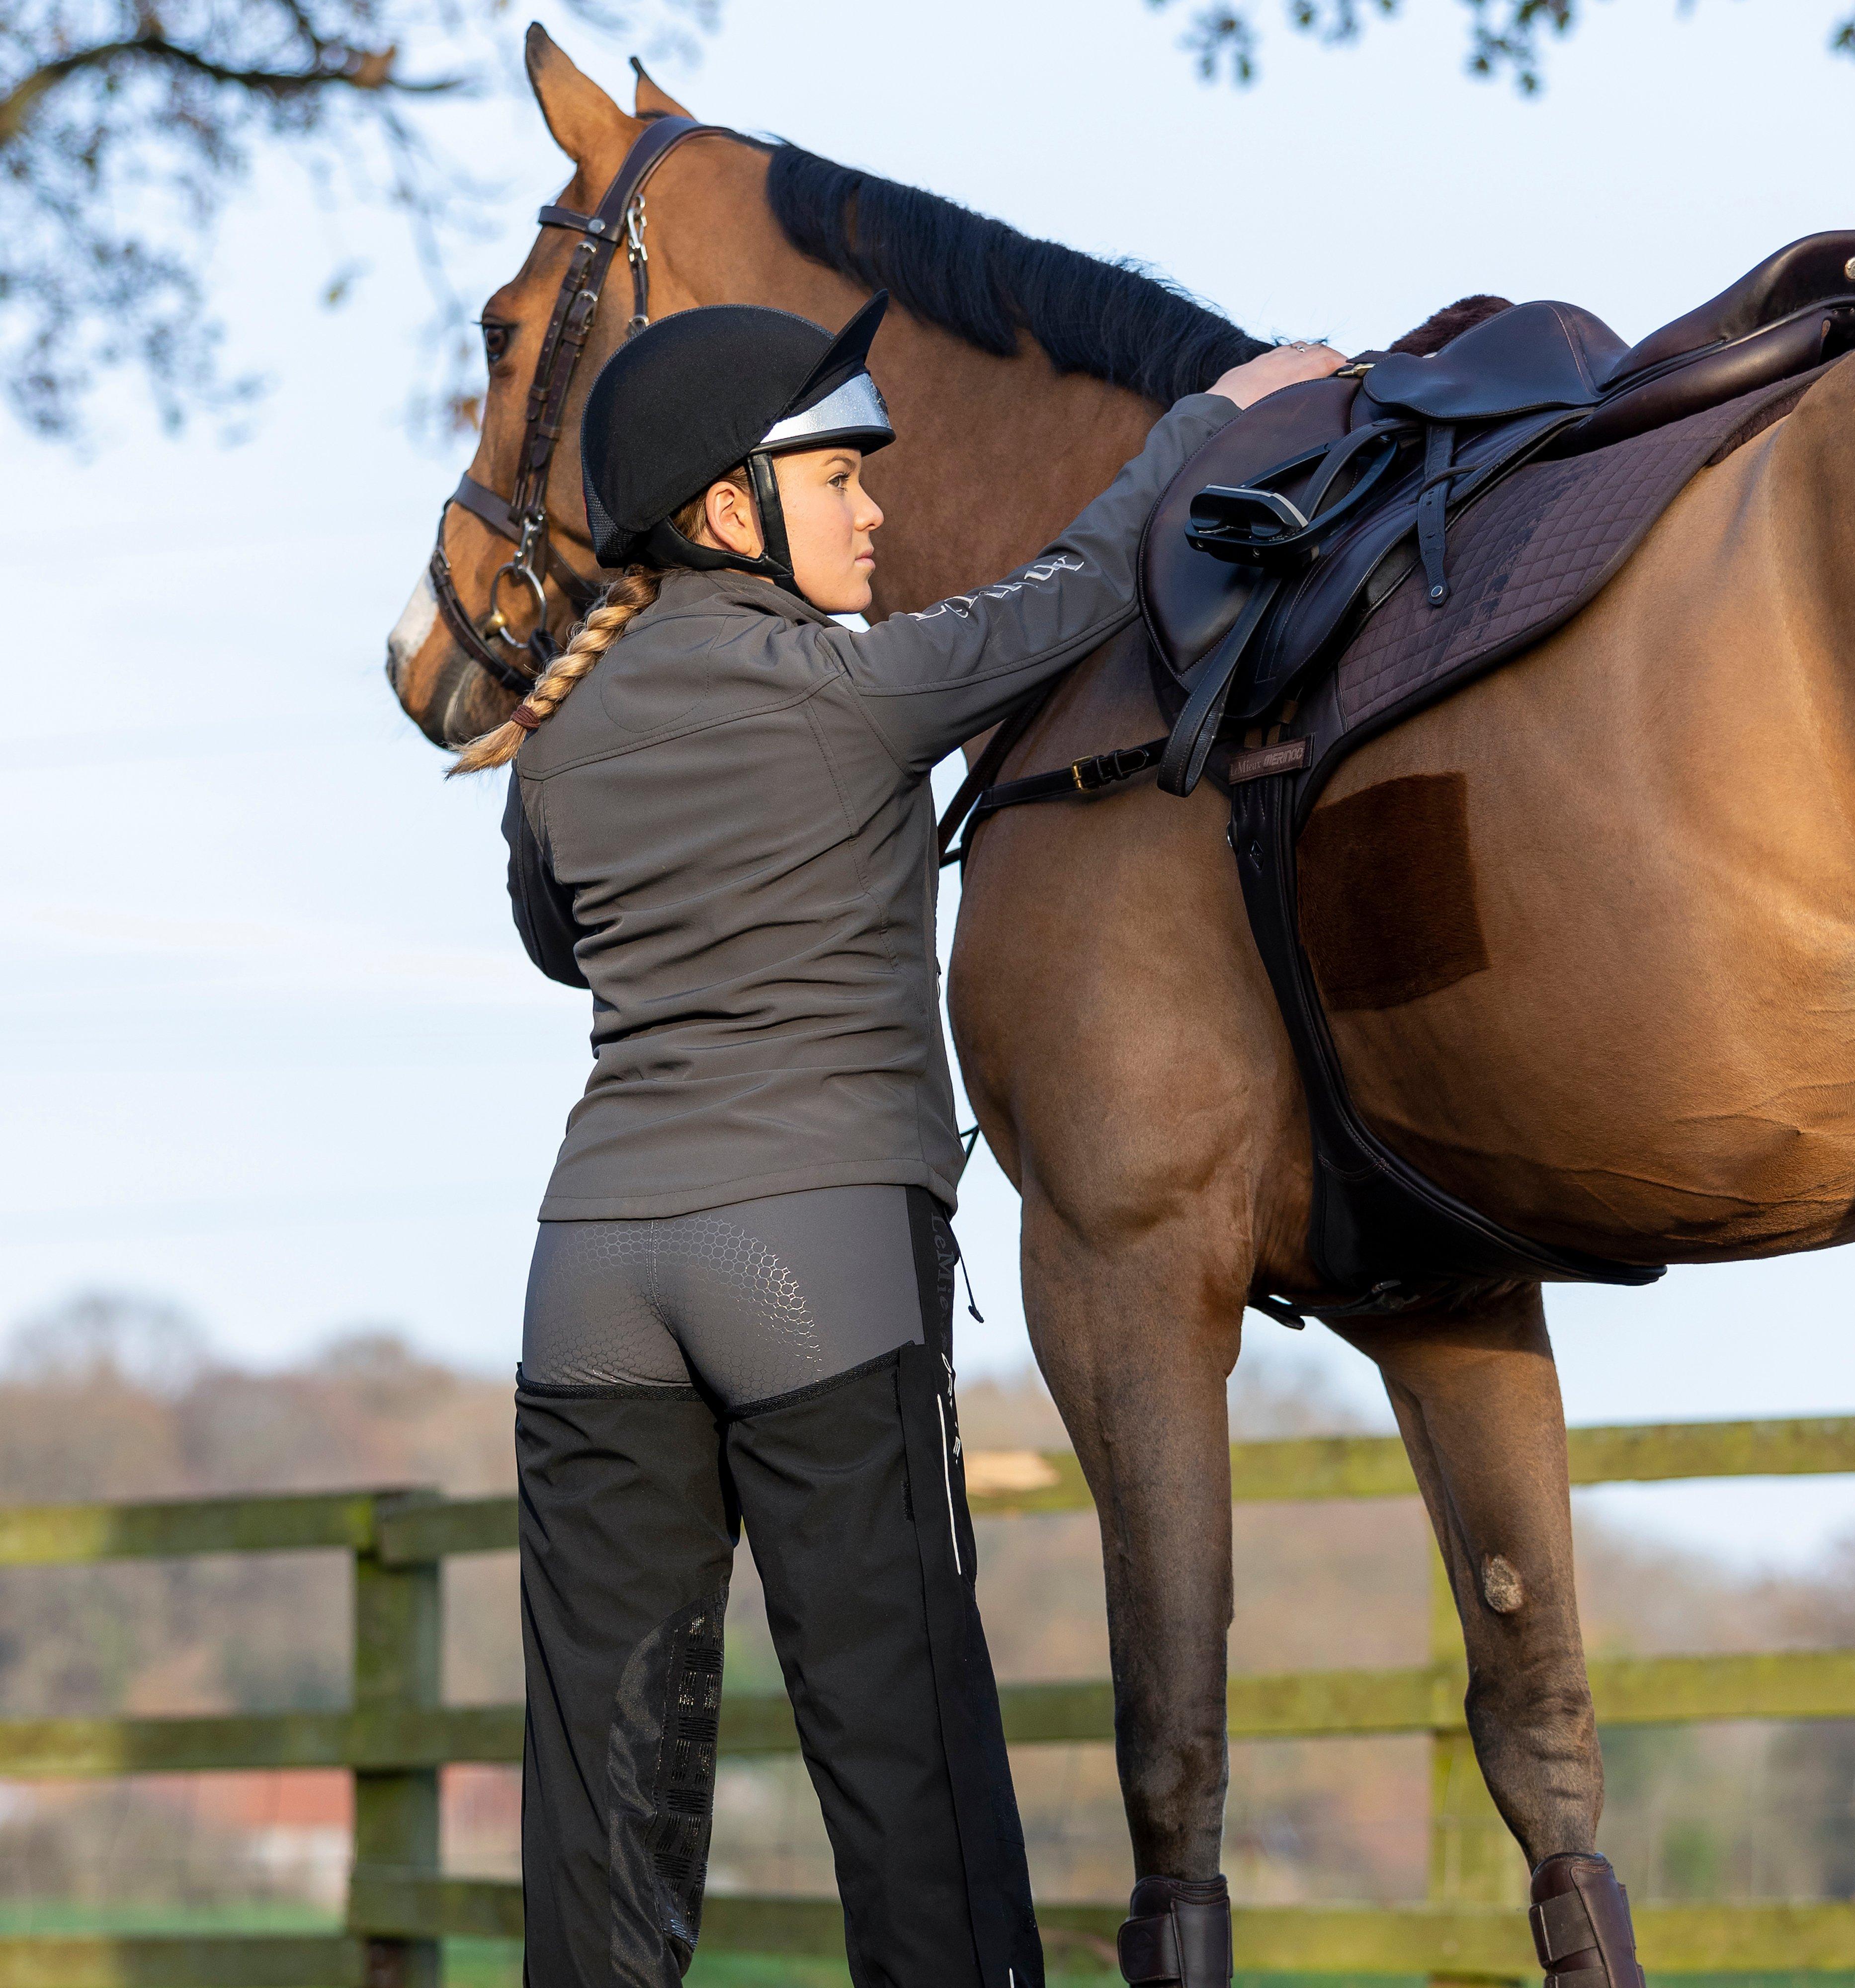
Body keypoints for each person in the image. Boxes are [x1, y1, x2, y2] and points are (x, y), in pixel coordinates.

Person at [454, 288, 1343, 1988]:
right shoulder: (854, 688)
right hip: (815, 1268)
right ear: (730, 512)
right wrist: (1213, 414)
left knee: (604, 1795)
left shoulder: (555, 743)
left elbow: (558, 937)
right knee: (906, 1758)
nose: (878, 510)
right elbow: (1081, 588)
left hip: (591, 1283)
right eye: (837, 480)